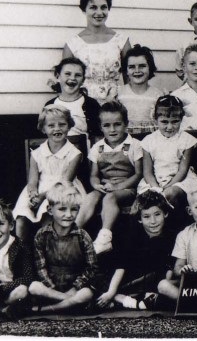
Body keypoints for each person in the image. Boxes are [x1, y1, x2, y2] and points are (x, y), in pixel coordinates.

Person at [76, 101, 143, 254]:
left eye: (117, 124)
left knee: (109, 198)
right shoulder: (97, 148)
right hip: (106, 186)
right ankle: (72, 232)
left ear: (126, 124)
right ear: (101, 127)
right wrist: (96, 185)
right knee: (91, 197)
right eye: (107, 125)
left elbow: (139, 174)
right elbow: (93, 175)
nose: (112, 130)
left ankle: (104, 237)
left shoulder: (134, 145)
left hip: (127, 188)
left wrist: (118, 187)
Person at [12, 106, 85, 242]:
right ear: (43, 128)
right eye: (51, 125)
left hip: (63, 190)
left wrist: (42, 197)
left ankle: (49, 251)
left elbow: (65, 181)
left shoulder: (74, 154)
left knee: (48, 213)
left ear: (69, 126)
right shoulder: (37, 153)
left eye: (62, 124)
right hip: (40, 189)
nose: (57, 129)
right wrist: (33, 194)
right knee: (22, 215)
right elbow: (32, 181)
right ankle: (21, 254)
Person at [98, 190, 175, 310]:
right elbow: (121, 266)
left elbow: (169, 268)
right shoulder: (133, 236)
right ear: (139, 219)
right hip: (129, 278)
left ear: (165, 214)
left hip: (154, 280)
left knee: (159, 287)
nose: (153, 221)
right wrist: (111, 292)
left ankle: (126, 301)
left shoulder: (171, 237)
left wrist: (162, 291)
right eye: (146, 216)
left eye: (157, 214)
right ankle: (125, 300)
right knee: (101, 287)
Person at [136, 95, 197, 227]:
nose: (169, 127)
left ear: (181, 120)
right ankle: (153, 231)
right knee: (146, 199)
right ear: (155, 119)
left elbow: (183, 170)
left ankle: (172, 229)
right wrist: (156, 187)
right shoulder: (149, 141)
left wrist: (168, 187)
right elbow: (147, 172)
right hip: (155, 179)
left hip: (179, 180)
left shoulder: (186, 140)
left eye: (175, 121)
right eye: (164, 122)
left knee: (170, 194)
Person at [28, 182, 97, 314]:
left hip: (75, 286)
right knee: (34, 287)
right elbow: (40, 267)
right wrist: (51, 287)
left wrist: (75, 287)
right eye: (62, 209)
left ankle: (46, 310)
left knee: (86, 293)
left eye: (74, 209)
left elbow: (91, 267)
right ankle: (68, 302)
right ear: (50, 210)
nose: (69, 214)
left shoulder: (83, 236)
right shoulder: (42, 235)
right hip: (51, 288)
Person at [62, 0, 131, 103]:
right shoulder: (72, 45)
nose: (99, 13)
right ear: (84, 10)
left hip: (114, 103)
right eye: (93, 7)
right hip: (83, 103)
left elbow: (129, 80)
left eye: (103, 7)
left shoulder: (121, 41)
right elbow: (66, 82)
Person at [0, 201, 34, 319]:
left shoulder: (20, 247)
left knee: (22, 290)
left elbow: (27, 278)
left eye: (0, 224)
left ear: (11, 225)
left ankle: (2, 308)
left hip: (12, 292)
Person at [45, 57, 102, 139]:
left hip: (84, 150)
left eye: (78, 75)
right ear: (58, 76)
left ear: (83, 80)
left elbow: (98, 135)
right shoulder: (50, 105)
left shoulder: (91, 104)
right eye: (67, 74)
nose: (72, 78)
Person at [117, 45, 165, 134]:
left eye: (142, 66)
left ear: (150, 68)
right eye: (132, 67)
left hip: (151, 142)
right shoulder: (119, 94)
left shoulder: (158, 95)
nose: (137, 70)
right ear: (126, 70)